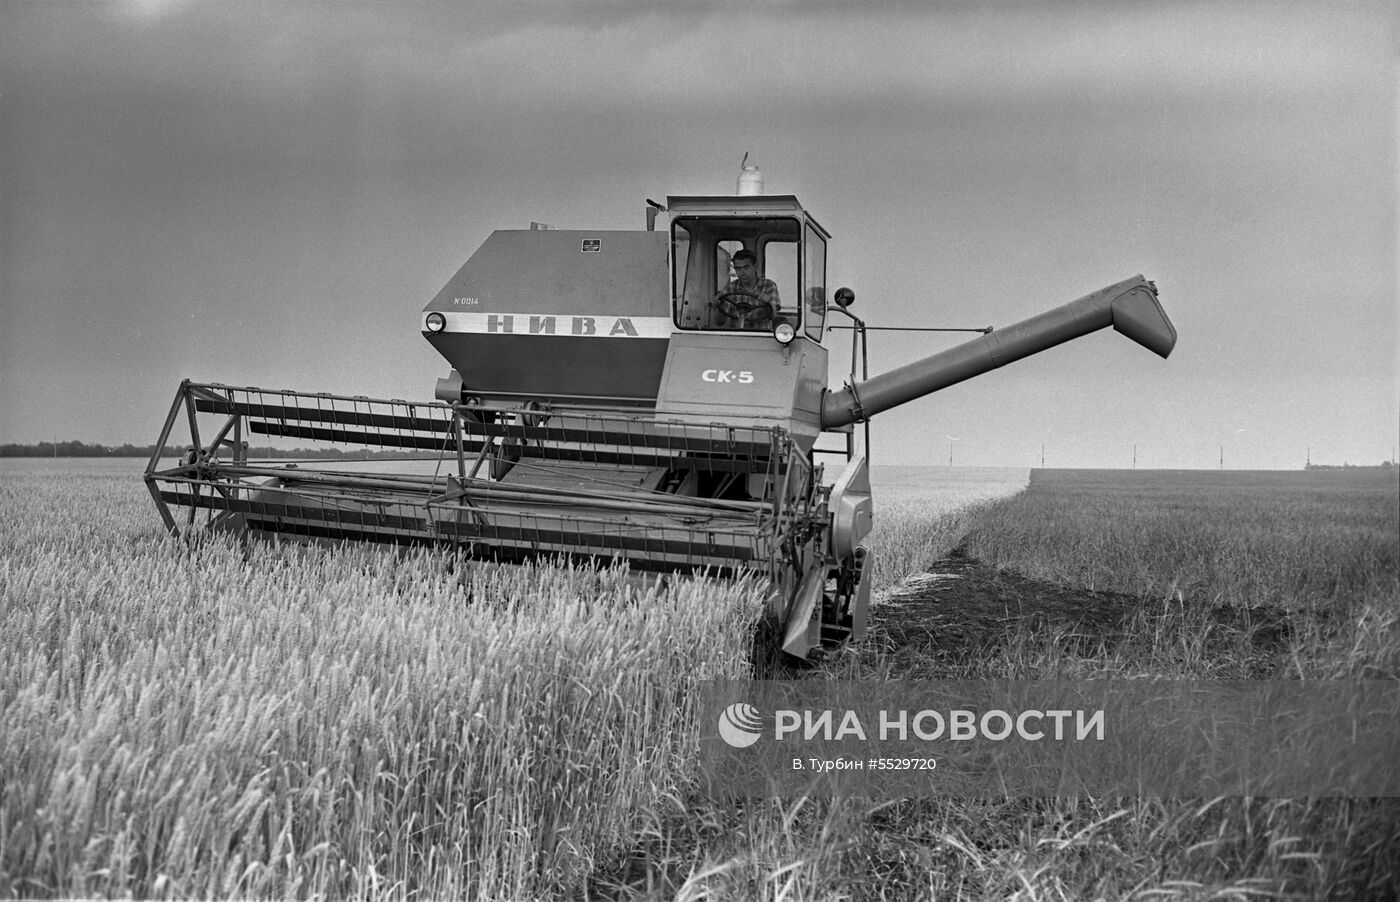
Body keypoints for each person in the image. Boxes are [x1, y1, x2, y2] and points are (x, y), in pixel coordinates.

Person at [715, 249, 781, 330]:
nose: (742, 272)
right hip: (736, 339)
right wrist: (718, 305)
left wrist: (769, 302)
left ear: (755, 266)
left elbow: (773, 317)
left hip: (761, 338)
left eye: (746, 267)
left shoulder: (769, 286)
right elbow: (719, 322)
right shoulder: (730, 288)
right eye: (738, 268)